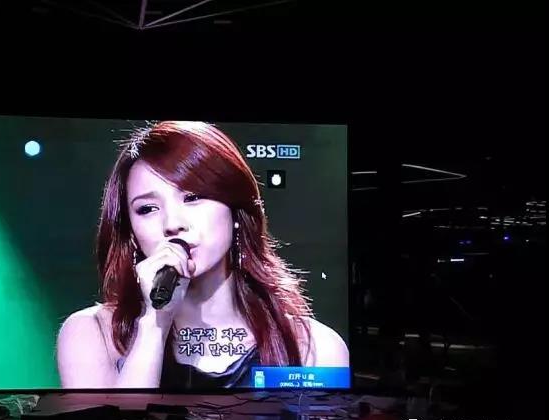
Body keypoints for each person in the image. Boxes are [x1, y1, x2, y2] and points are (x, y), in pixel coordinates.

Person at [57, 121, 348, 388]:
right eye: (147, 209)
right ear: (130, 232)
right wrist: (153, 325)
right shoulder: (91, 334)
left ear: (235, 210)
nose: (172, 223)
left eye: (193, 197)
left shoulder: (315, 348)